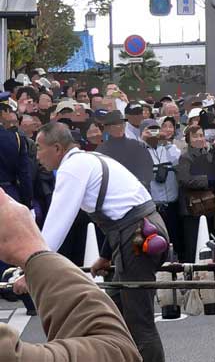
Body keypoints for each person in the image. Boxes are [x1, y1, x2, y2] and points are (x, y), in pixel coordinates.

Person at [13, 122, 168, 362]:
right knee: (114, 310)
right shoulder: (89, 159)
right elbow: (119, 211)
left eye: (39, 149)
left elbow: (57, 223)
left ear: (57, 148)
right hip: (140, 229)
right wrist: (106, 256)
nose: (37, 156)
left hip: (138, 236)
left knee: (138, 322)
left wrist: (31, 268)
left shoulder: (72, 168)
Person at [0, 188, 142, 362]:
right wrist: (33, 255)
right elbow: (115, 351)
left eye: (39, 156)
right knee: (140, 320)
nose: (37, 158)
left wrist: (36, 264)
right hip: (127, 234)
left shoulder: (76, 166)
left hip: (135, 234)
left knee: (140, 317)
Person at [142, 117, 182, 258]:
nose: (154, 133)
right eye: (150, 130)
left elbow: (177, 160)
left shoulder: (170, 149)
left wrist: (166, 142)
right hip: (152, 206)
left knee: (173, 238)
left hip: (171, 203)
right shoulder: (141, 149)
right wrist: (143, 140)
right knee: (155, 240)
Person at [176, 125, 215, 262]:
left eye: (201, 135)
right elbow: (185, 179)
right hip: (191, 208)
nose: (199, 139)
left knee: (208, 242)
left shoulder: (209, 155)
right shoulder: (185, 158)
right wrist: (207, 179)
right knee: (192, 244)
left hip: (209, 205)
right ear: (188, 140)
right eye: (195, 136)